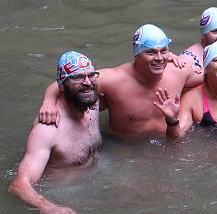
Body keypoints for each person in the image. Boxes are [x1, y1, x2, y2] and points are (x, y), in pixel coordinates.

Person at [39, 25, 204, 138]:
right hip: (123, 148)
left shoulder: (179, 71)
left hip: (168, 143)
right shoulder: (114, 79)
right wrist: (48, 102)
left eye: (164, 51)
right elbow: (65, 82)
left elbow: (213, 77)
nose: (159, 58)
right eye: (151, 52)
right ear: (136, 54)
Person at [9, 52, 103, 214]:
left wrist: (168, 58)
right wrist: (48, 207)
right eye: (77, 78)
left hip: (97, 186)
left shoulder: (93, 103)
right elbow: (18, 185)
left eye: (91, 75)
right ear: (61, 86)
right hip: (63, 198)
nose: (88, 83)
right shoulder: (48, 129)